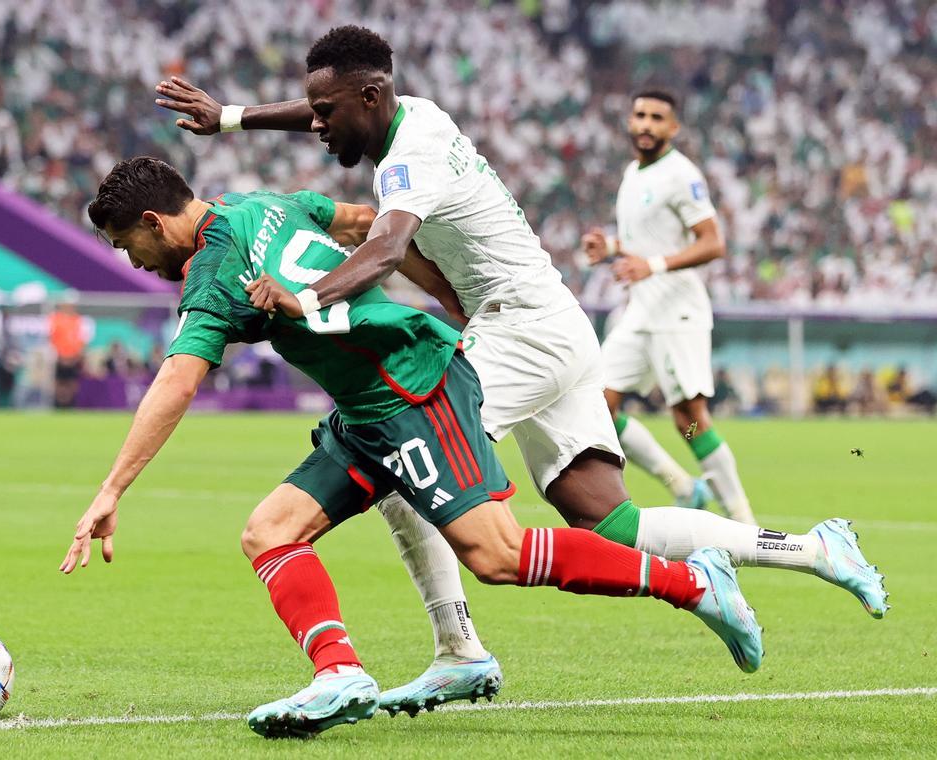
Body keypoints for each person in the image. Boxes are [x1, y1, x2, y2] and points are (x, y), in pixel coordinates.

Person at [154, 25, 887, 715]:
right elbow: (333, 104)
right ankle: (815, 550)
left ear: (371, 101)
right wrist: (232, 118)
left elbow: (382, 252)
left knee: (400, 449)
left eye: (325, 112)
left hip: (521, 329)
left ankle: (459, 649)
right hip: (550, 324)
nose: (315, 125)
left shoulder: (410, 160)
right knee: (611, 519)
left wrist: (304, 297)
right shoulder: (410, 114)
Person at [61, 156, 764, 738]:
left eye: (130, 245)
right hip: (368, 409)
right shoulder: (258, 204)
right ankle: (338, 672)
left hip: (415, 389)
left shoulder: (211, 275)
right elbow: (371, 225)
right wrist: (440, 291)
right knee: (271, 531)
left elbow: (177, 381)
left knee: (498, 556)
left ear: (154, 222)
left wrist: (111, 489)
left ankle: (696, 582)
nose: (137, 261)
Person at [582, 90, 753, 523]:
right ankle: (683, 485)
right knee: (597, 404)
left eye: (657, 118)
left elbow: (713, 242)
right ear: (629, 121)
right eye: (639, 115)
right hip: (640, 311)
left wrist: (651, 265)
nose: (646, 124)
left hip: (677, 313)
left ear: (673, 128)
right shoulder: (633, 173)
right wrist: (612, 247)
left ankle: (743, 520)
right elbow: (647, 242)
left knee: (689, 420)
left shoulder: (681, 175)